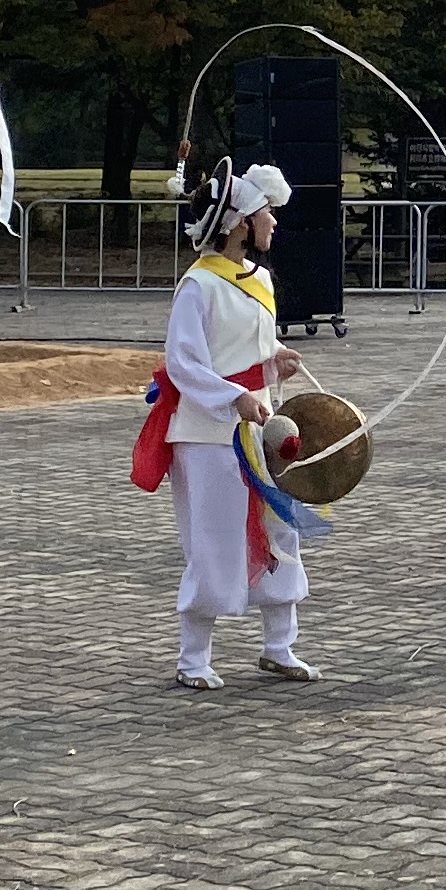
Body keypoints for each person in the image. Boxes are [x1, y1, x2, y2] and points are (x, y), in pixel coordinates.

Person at [127, 157, 319, 688]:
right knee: (214, 539)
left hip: (258, 423)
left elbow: (246, 347)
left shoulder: (259, 279)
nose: (274, 223)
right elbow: (185, 361)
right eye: (265, 214)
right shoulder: (198, 285)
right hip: (207, 431)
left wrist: (272, 359)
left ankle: (279, 646)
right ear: (239, 222)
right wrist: (234, 394)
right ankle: (194, 659)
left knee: (279, 531)